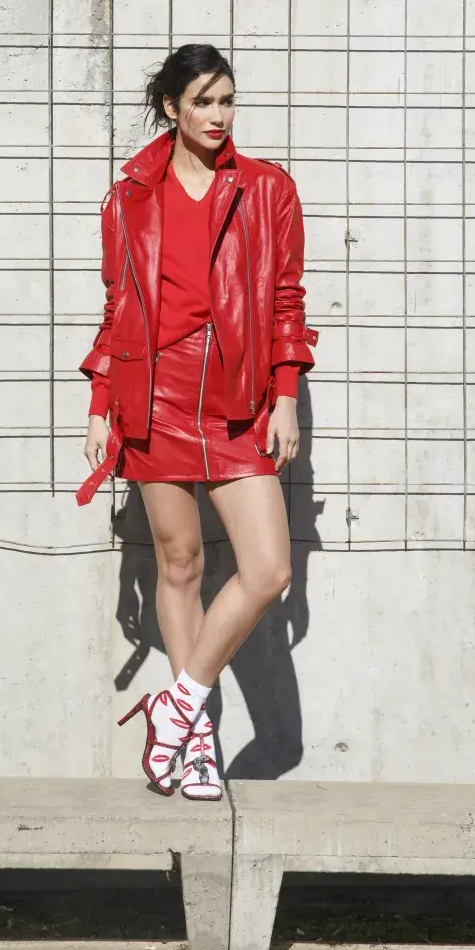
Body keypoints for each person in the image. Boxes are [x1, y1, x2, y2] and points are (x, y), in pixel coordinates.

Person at [76, 44, 318, 801]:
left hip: (239, 402)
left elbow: (285, 298)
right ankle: (201, 740)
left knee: (267, 567)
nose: (218, 116)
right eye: (204, 102)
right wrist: (99, 406)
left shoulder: (266, 189)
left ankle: (175, 704)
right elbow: (119, 309)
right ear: (172, 109)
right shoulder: (129, 200)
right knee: (177, 564)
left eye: (227, 101)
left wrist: (283, 396)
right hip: (156, 400)